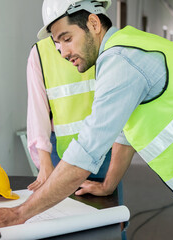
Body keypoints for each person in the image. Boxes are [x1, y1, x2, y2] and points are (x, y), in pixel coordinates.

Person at [0, 0, 173, 239]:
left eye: (66, 38)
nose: (62, 52)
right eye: (56, 43)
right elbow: (126, 133)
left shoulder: (120, 61)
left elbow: (85, 154)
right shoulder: (127, 47)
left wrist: (17, 214)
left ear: (93, 23)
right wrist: (109, 185)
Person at [26, 36, 132, 192]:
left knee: (108, 209)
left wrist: (109, 183)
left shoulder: (107, 44)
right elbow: (37, 110)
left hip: (105, 149)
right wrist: (44, 162)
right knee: (64, 210)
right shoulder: (41, 52)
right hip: (62, 152)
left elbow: (121, 109)